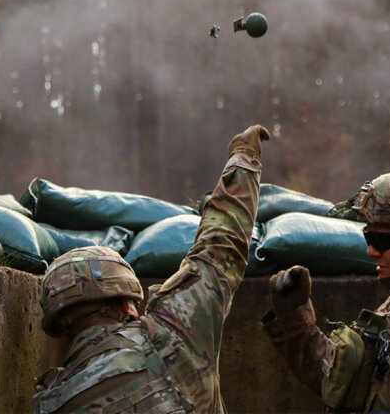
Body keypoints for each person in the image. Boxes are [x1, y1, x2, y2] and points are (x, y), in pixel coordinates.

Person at [32, 125, 270, 414]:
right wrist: (243, 159)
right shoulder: (173, 334)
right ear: (126, 304)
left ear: (61, 324)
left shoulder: (51, 403)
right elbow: (221, 246)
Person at [261, 170, 390, 413]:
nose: (371, 252)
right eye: (368, 238)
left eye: (380, 240)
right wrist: (294, 319)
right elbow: (339, 382)